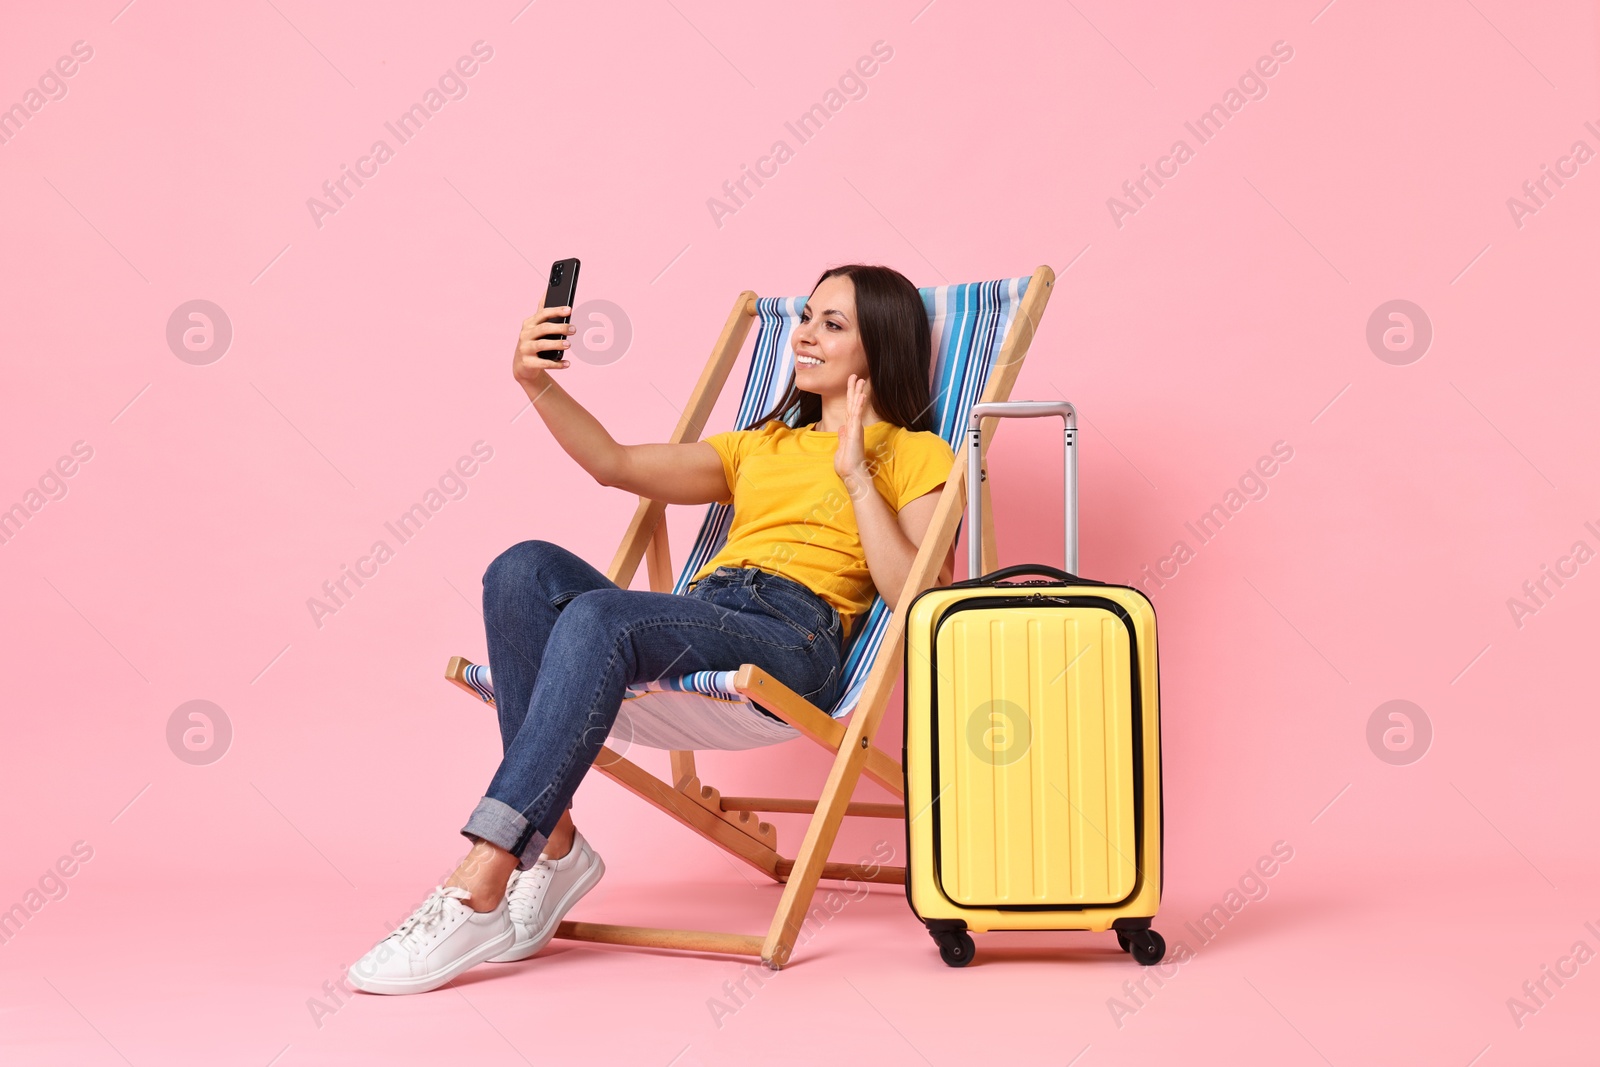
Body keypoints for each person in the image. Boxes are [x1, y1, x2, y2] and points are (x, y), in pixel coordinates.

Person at [348, 264, 957, 994]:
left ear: (879, 348)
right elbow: (615, 464)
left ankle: (483, 877)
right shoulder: (757, 445)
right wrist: (535, 382)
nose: (805, 335)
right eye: (806, 317)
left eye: (834, 324)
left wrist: (857, 473)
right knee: (519, 570)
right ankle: (558, 841)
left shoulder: (919, 453)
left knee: (600, 614)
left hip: (796, 640)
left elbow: (919, 594)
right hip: (712, 611)